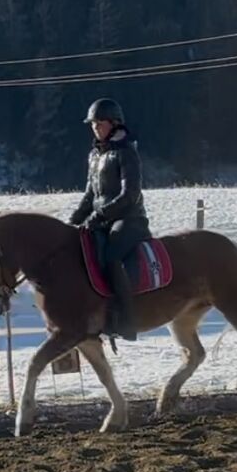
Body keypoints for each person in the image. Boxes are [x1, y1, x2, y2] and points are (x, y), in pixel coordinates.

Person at [69, 98, 151, 340]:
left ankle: (125, 318)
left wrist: (98, 216)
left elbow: (130, 195)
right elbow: (89, 195)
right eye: (93, 124)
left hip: (130, 220)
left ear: (114, 124)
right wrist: (72, 223)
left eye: (100, 123)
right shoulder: (94, 155)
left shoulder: (127, 152)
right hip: (102, 220)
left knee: (112, 254)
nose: (95, 127)